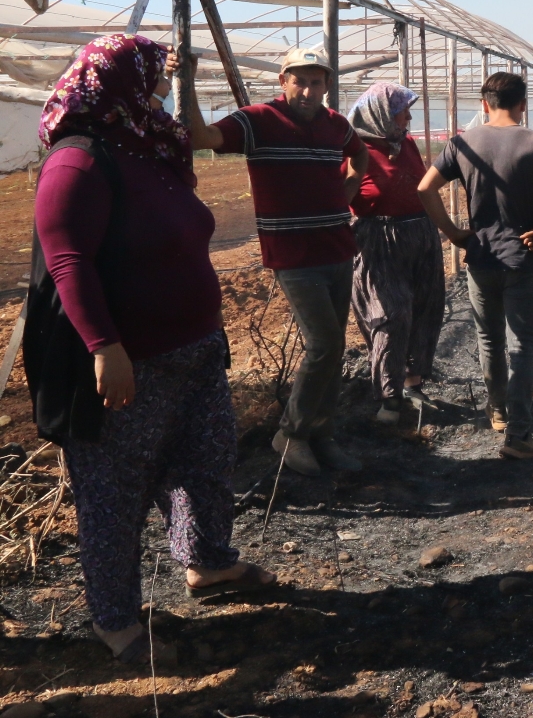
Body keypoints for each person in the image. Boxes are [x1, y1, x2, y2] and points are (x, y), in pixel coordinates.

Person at [27, 36, 275, 665]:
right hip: (131, 360)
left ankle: (208, 563)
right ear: (117, 84)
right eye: (153, 78)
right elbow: (67, 261)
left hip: (194, 347)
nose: (163, 88)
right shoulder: (78, 161)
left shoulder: (148, 149)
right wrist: (105, 347)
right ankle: (114, 618)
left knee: (208, 460)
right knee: (115, 492)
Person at [183, 48, 370, 478]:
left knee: (334, 346)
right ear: (282, 81)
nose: (307, 90)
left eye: (316, 82)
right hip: (293, 254)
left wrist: (350, 185)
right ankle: (291, 433)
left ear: (326, 85)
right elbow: (201, 138)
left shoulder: (335, 125)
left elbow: (359, 155)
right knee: (323, 344)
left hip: (337, 248)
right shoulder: (257, 121)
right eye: (299, 81)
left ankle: (321, 434)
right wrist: (188, 84)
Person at [418, 71, 533, 459]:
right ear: (523, 104)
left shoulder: (462, 144)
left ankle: (499, 412)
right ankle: (519, 437)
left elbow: (425, 188)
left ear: (484, 104)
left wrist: (455, 234)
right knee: (522, 345)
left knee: (489, 339)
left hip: (481, 258)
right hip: (522, 258)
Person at [347, 82, 445, 424]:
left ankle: (414, 385)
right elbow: (341, 195)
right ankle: (389, 398)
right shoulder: (354, 150)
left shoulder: (407, 146)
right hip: (379, 241)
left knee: (424, 308)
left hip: (420, 235)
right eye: (403, 110)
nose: (409, 115)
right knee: (391, 315)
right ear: (383, 114)